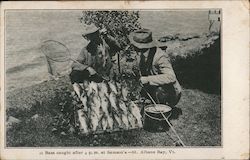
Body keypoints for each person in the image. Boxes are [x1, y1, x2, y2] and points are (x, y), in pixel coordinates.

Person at [128, 29, 182, 107]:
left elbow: (171, 77)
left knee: (159, 92)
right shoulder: (142, 54)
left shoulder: (160, 57)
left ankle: (163, 109)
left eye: (137, 47)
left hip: (170, 91)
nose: (135, 50)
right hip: (154, 86)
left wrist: (146, 79)